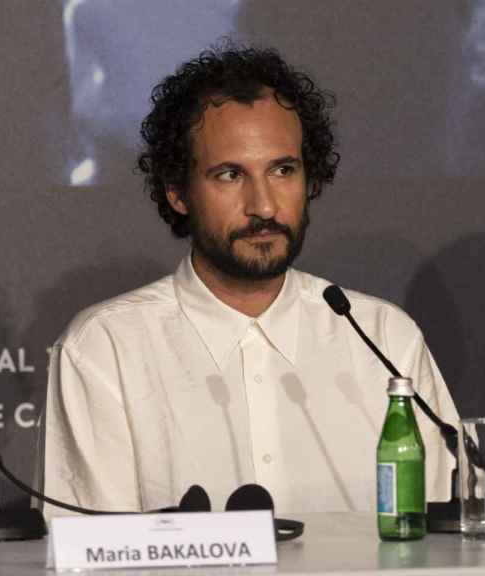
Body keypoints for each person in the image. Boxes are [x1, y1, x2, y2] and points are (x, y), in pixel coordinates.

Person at [42, 44, 459, 515]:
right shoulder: (106, 349)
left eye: (283, 170)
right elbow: (89, 554)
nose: (263, 205)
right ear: (178, 192)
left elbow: (447, 541)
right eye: (229, 175)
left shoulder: (385, 338)